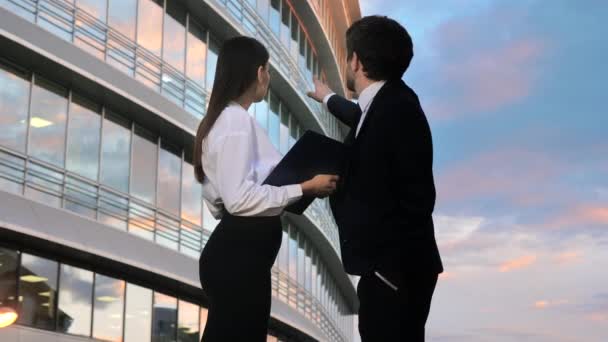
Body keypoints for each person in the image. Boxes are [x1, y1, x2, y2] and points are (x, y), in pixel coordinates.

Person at [193, 36, 338, 342]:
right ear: (259, 72)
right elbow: (238, 200)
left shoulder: (224, 121)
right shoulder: (235, 122)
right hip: (239, 258)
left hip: (238, 255)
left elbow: (219, 200)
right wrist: (304, 186)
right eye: (268, 71)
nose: (269, 78)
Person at [307, 16, 443, 341]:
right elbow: (361, 117)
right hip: (393, 269)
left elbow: (419, 199)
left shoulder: (396, 110)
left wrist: (385, 271)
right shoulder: (389, 103)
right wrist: (328, 98)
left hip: (393, 272)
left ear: (356, 61)